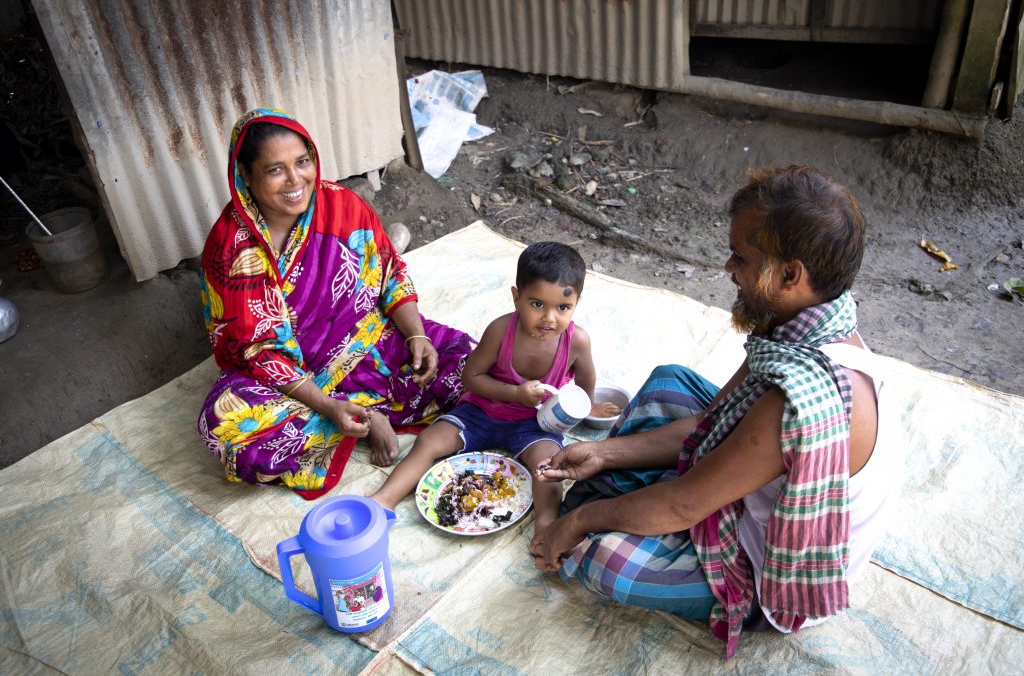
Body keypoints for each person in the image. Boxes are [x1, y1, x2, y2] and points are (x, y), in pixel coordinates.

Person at [535, 165, 902, 657]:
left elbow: (685, 504)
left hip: (768, 569)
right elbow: (712, 421)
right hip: (744, 480)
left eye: (741, 256)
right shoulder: (806, 323)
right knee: (670, 381)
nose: (729, 267)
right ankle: (621, 498)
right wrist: (605, 452)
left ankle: (614, 510)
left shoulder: (796, 399)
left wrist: (580, 523)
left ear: (790, 275)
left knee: (606, 560)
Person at [197, 108, 474, 498]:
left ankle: (357, 418)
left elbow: (390, 272)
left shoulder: (341, 205)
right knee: (225, 427)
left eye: (303, 162)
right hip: (293, 383)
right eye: (275, 170)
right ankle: (358, 419)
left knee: (471, 363)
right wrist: (329, 406)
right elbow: (255, 352)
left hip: (373, 347)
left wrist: (415, 336)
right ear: (245, 175)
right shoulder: (231, 249)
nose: (296, 180)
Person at [371, 241, 596, 551]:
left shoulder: (577, 341)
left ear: (577, 303)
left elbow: (585, 381)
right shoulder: (501, 331)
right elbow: (471, 378)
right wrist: (516, 393)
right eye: (537, 304)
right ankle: (385, 499)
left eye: (563, 308)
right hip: (481, 412)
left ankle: (545, 524)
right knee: (429, 441)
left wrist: (585, 406)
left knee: (548, 466)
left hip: (534, 423)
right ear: (516, 298)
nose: (549, 318)